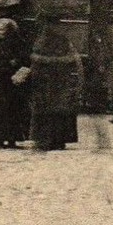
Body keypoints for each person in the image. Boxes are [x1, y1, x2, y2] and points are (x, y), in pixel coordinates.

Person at [28, 15, 82, 152]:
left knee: (47, 111)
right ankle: (58, 140)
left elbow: (35, 60)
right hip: (58, 81)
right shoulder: (63, 40)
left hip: (46, 82)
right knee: (59, 112)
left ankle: (46, 139)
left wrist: (40, 61)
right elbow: (72, 59)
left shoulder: (41, 40)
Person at [0, 18, 30, 148]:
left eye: (3, 29)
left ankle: (10, 139)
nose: (0, 32)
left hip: (13, 79)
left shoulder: (17, 42)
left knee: (11, 109)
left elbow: (25, 59)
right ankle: (1, 138)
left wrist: (16, 62)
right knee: (3, 109)